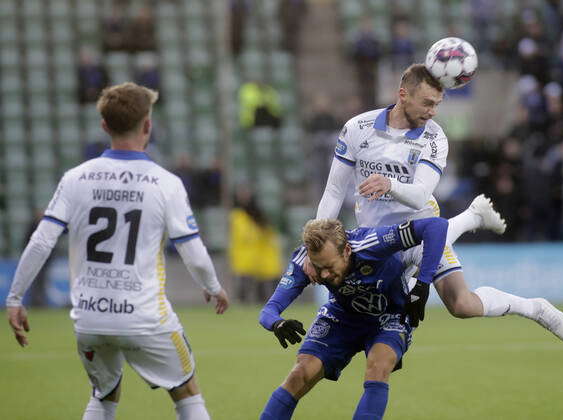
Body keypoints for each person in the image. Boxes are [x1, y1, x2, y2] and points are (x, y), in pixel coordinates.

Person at [5, 82, 229, 420]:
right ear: (148, 126)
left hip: (90, 317)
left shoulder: (76, 178)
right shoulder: (165, 183)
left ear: (104, 126)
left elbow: (41, 241)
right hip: (143, 316)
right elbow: (192, 250)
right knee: (186, 391)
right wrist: (213, 287)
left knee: (104, 395)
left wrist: (14, 298)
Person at [313, 63, 563, 341]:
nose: (432, 111)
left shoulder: (434, 137)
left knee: (461, 305)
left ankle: (534, 307)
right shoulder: (357, 128)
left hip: (421, 232)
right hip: (376, 237)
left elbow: (420, 195)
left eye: (437, 104)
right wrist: (314, 244)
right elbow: (333, 192)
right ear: (403, 94)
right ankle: (471, 217)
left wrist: (389, 183)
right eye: (427, 103)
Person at [259, 216, 449, 420]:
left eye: (329, 266)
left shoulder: (371, 242)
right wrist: (277, 323)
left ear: (347, 250)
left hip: (388, 315)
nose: (323, 275)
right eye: (318, 266)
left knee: (379, 365)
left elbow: (436, 226)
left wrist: (422, 284)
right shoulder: (303, 262)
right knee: (300, 373)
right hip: (341, 316)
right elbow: (269, 310)